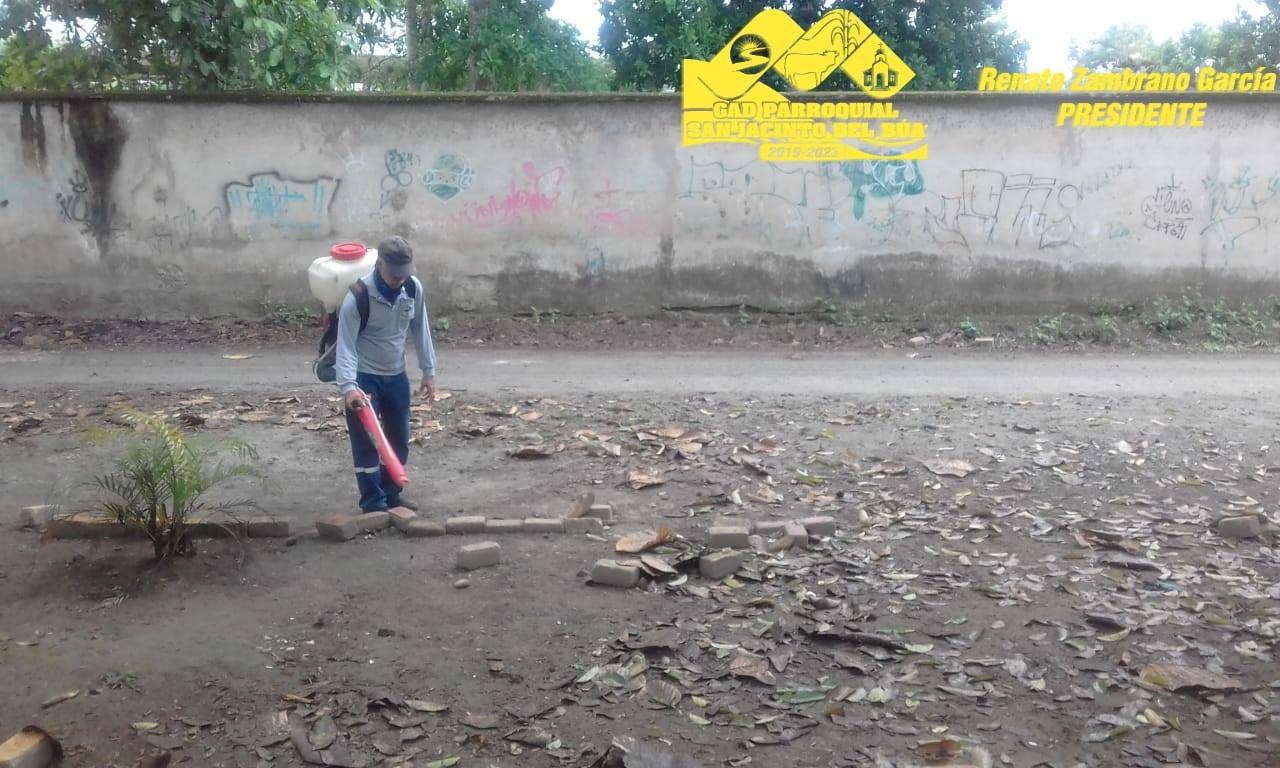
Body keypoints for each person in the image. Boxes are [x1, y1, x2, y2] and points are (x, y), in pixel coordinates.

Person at [334, 236, 437, 513]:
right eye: (394, 274)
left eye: (404, 273)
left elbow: (421, 329)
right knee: (367, 443)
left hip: (397, 377)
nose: (399, 280)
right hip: (364, 379)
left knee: (399, 439)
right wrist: (349, 388)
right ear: (379, 264)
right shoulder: (357, 297)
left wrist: (428, 371)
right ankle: (373, 503)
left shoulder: (412, 288)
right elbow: (345, 346)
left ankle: (392, 495)